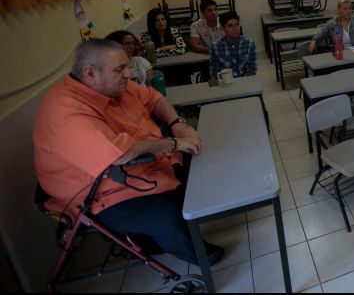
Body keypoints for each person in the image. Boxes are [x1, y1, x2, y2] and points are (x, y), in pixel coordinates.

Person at [33, 40, 224, 266]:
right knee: (168, 220)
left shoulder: (111, 85)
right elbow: (120, 154)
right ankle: (198, 254)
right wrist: (173, 143)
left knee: (204, 166)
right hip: (102, 192)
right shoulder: (64, 113)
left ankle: (164, 231)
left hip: (146, 165)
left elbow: (154, 98)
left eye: (128, 66)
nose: (130, 74)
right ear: (90, 73)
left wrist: (177, 123)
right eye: (120, 69)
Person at [210, 11, 257, 78]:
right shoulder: (216, 46)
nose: (235, 29)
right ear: (223, 29)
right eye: (230, 26)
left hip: (245, 82)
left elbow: (252, 70)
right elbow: (214, 73)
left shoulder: (249, 44)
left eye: (237, 24)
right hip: (226, 83)